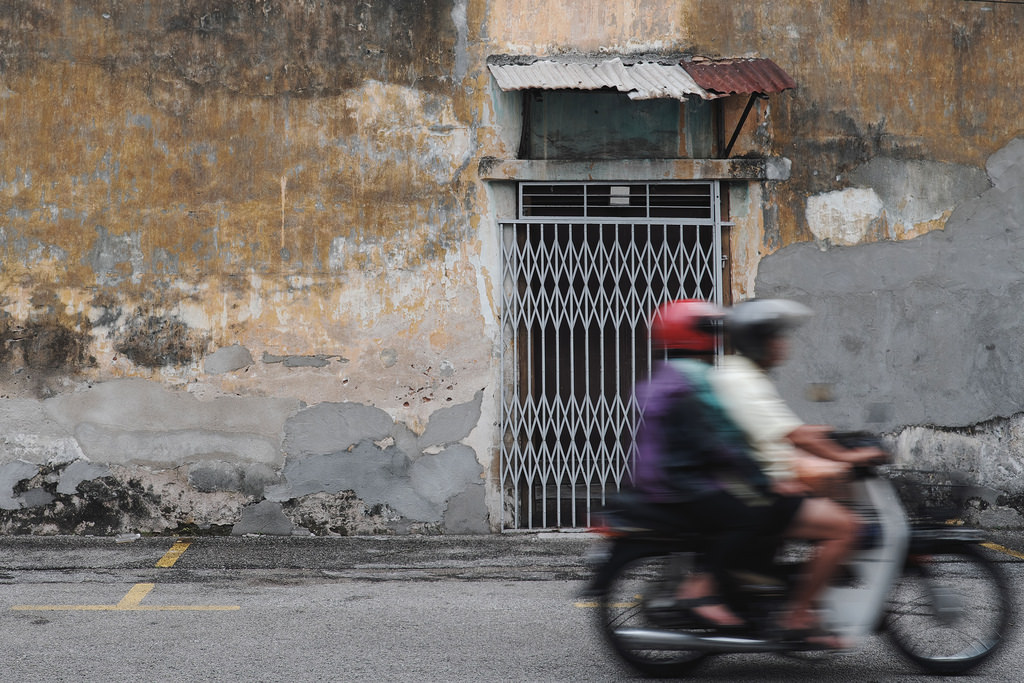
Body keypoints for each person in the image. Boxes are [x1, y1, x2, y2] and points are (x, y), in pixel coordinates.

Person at [710, 298, 888, 645]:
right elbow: (795, 434)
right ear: (758, 341)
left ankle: (789, 588)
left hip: (756, 482)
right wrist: (849, 457)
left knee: (826, 494)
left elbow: (780, 430)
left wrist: (828, 437)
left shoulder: (745, 374)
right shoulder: (740, 379)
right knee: (845, 528)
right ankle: (798, 614)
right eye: (775, 336)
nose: (783, 343)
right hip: (756, 491)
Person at [628, 299, 801, 630]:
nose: (719, 337)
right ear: (697, 335)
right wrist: (761, 479)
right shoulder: (693, 379)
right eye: (712, 330)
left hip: (670, 477)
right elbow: (719, 441)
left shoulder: (668, 375)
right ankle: (703, 591)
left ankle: (744, 584)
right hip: (683, 482)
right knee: (752, 514)